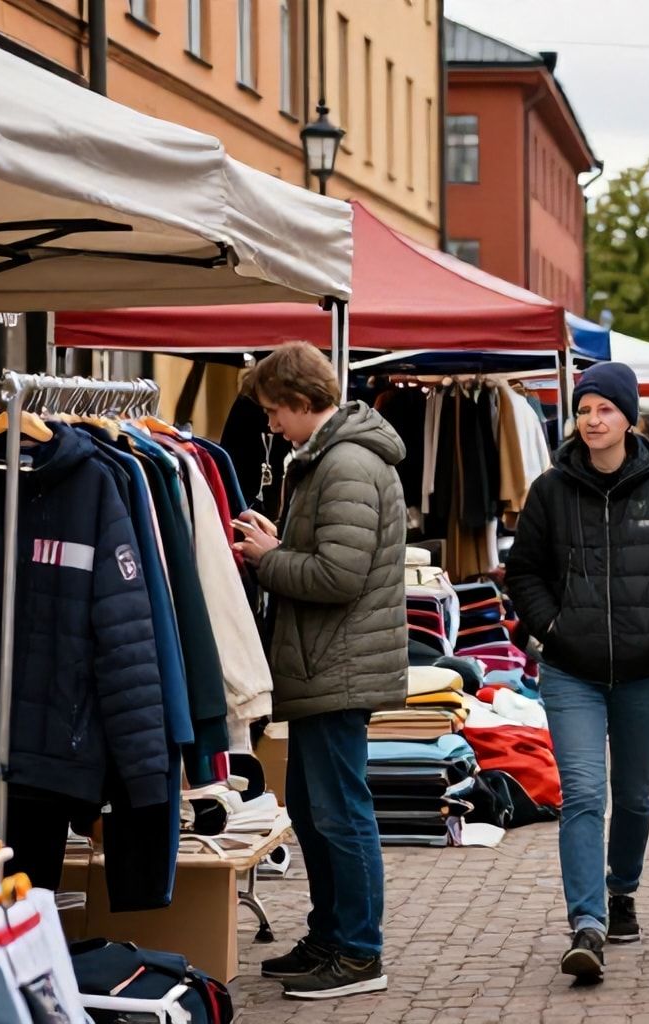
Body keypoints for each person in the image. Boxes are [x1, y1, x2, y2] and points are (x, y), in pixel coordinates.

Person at [504, 362, 649, 985]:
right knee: (585, 794)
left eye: (604, 409)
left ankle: (622, 891)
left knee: (636, 795)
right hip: (571, 671)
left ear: (628, 415)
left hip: (646, 671)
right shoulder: (550, 489)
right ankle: (587, 924)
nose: (592, 420)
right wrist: (554, 628)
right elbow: (525, 573)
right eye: (583, 409)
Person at [233, 342, 408, 1000]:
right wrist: (282, 541)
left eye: (276, 411)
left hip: (337, 663)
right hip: (325, 661)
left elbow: (338, 576)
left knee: (339, 812)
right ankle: (331, 936)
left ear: (305, 403)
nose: (271, 424)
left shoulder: (348, 463)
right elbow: (335, 556)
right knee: (314, 808)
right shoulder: (334, 458)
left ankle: (359, 952)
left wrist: (269, 558)